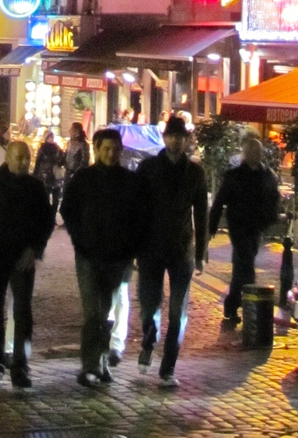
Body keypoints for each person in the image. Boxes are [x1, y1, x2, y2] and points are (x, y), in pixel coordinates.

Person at [0, 140, 54, 390]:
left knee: (23, 313)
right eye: (19, 158)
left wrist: (35, 250)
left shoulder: (36, 187)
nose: (25, 163)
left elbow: (45, 222)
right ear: (8, 159)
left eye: (27, 158)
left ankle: (20, 366)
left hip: (22, 258)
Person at [61, 128, 145, 387]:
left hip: (116, 258)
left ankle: (101, 361)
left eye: (115, 149)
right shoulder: (84, 178)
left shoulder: (129, 181)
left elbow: (138, 219)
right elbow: (68, 210)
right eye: (106, 149)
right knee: (92, 313)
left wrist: (130, 248)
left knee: (106, 312)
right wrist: (79, 239)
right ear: (96, 150)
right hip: (88, 255)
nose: (110, 154)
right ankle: (90, 364)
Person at [135, 115, 208, 388]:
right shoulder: (149, 168)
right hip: (151, 247)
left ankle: (168, 367)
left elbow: (200, 213)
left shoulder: (195, 173)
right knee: (149, 304)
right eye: (172, 136)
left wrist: (200, 252)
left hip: (181, 249)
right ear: (164, 138)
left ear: (187, 140)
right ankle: (148, 341)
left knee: (178, 312)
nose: (176, 141)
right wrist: (135, 245)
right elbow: (138, 208)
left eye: (181, 136)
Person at [209, 133, 281, 323]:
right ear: (244, 153)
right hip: (238, 226)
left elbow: (274, 197)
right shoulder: (234, 176)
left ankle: (231, 305)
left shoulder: (267, 175)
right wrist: (211, 227)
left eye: (258, 151)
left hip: (256, 227)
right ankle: (249, 305)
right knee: (246, 265)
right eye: (251, 151)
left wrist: (270, 219)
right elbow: (219, 201)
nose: (255, 155)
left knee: (240, 267)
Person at [33, 130, 65, 220]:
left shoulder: (57, 148)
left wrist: (59, 163)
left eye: (52, 137)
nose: (51, 139)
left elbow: (62, 159)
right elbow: (38, 162)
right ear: (46, 138)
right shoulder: (42, 149)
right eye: (50, 137)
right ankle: (46, 217)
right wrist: (36, 175)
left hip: (56, 176)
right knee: (46, 198)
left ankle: (52, 217)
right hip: (45, 176)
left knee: (56, 199)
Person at [63, 122, 90, 192]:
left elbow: (84, 161)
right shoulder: (69, 142)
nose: (69, 131)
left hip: (77, 175)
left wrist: (76, 173)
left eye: (71, 129)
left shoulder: (83, 144)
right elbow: (66, 154)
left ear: (76, 131)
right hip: (68, 172)